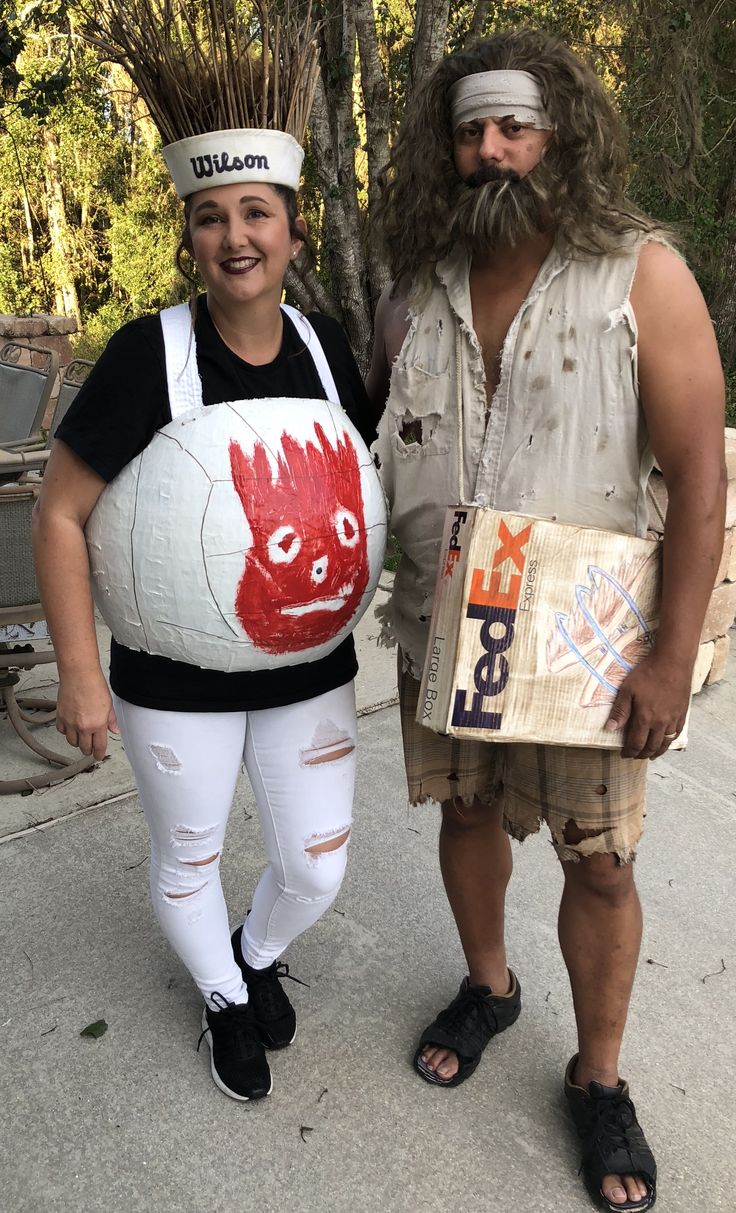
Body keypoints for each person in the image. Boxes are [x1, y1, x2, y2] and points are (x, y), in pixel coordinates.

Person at [367, 27, 726, 1212]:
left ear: (557, 133)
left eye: (513, 125)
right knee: (464, 807)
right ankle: (489, 984)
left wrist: (673, 657)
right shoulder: (411, 295)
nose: (490, 149)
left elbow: (698, 475)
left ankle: (599, 1073)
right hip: (447, 624)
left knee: (602, 864)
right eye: (470, 131)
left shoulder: (640, 275)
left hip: (585, 644)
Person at [33, 3, 383, 1104]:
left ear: (292, 228)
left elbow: (369, 484)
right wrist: (81, 672)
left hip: (309, 669)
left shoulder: (330, 350)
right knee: (186, 853)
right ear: (190, 237)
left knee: (315, 863)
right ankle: (226, 998)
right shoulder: (150, 355)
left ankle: (260, 948)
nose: (236, 237)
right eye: (210, 218)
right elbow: (57, 510)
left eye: (257, 213)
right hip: (168, 682)